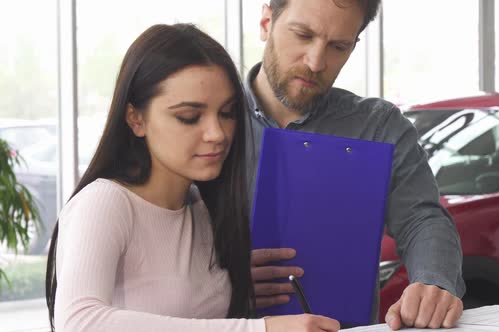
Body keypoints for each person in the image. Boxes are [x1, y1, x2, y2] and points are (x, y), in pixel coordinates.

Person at [45, 23, 340, 332]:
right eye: (189, 117)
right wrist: (261, 329)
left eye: (226, 113)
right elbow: (79, 321)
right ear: (135, 118)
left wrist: (236, 281)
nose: (217, 134)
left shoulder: (200, 206)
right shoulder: (104, 202)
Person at [245, 0, 466, 330]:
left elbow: (421, 218)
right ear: (266, 23)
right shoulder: (203, 120)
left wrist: (435, 282)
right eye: (303, 35)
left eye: (338, 46)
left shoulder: (377, 126)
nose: (316, 62)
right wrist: (220, 280)